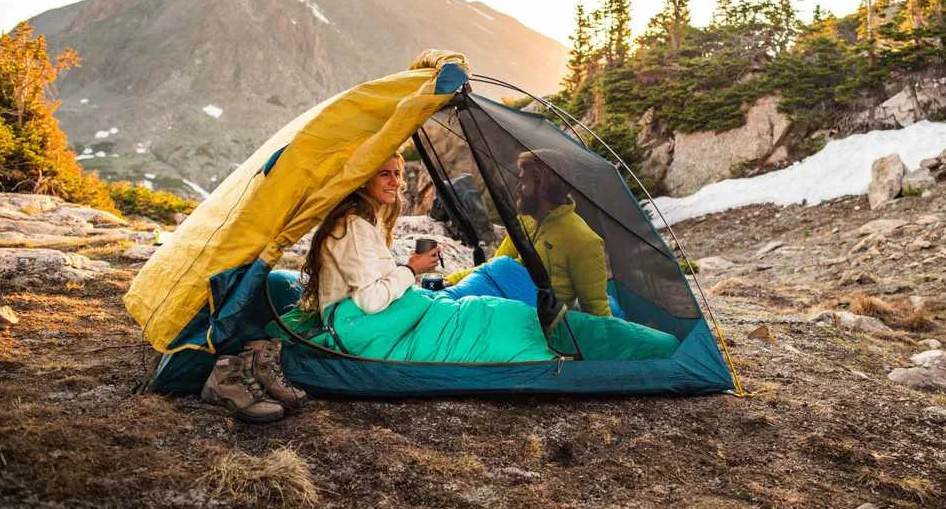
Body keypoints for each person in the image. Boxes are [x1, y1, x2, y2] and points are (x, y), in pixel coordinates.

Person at [273, 152, 676, 366]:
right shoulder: (355, 226)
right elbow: (370, 301)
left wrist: (426, 279)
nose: (396, 182)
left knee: (498, 310)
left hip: (391, 315)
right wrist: (413, 271)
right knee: (501, 319)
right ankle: (643, 346)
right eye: (386, 174)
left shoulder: (580, 240)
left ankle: (600, 338)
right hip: (368, 324)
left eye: (398, 174)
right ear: (362, 179)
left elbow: (596, 303)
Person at [443, 150, 614, 316]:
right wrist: (452, 279)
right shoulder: (527, 220)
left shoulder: (584, 241)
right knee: (442, 300)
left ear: (543, 188)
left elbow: (596, 310)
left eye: (523, 182)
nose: (517, 190)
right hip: (500, 299)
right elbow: (494, 268)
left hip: (534, 320)